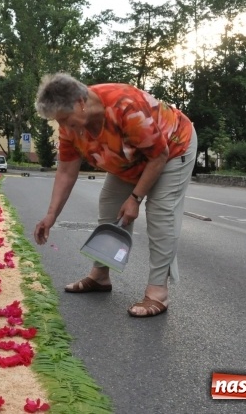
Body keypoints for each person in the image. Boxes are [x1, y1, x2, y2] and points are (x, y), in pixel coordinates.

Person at [32, 73, 197, 318]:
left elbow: (158, 155)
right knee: (109, 204)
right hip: (129, 158)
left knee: (160, 214)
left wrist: (135, 198)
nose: (65, 128)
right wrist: (51, 215)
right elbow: (66, 171)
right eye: (60, 122)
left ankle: (158, 291)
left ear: (80, 102)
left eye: (66, 119)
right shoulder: (71, 127)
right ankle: (100, 275)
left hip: (171, 148)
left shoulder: (125, 107)